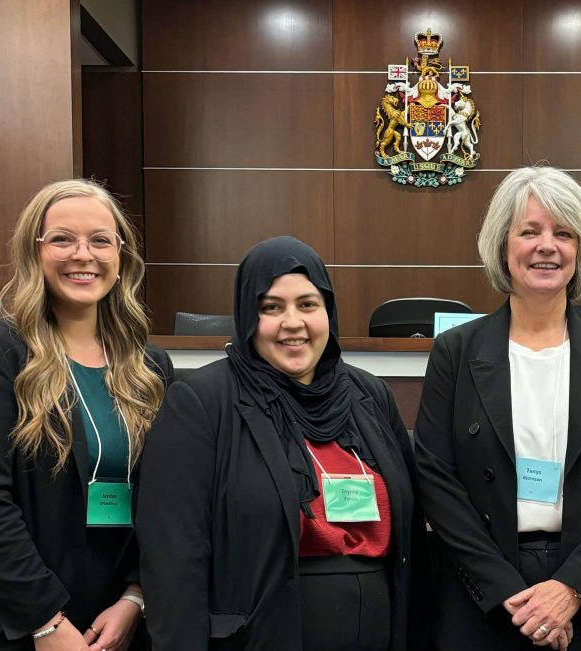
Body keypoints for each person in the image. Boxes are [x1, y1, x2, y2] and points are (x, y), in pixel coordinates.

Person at [0, 180, 173, 651]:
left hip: (103, 621)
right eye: (62, 239)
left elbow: (167, 502)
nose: (82, 254)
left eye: (100, 240)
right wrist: (45, 621)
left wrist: (135, 596)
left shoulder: (150, 368)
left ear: (121, 256)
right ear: (35, 252)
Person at [414, 166, 581, 651]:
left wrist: (572, 588)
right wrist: (508, 593)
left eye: (564, 233)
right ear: (502, 246)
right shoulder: (456, 351)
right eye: (529, 231)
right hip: (488, 599)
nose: (547, 246)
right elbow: (435, 479)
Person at [135, 236, 425, 651]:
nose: (293, 322)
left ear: (328, 311)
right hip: (261, 636)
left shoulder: (370, 395)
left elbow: (411, 535)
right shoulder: (202, 402)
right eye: (271, 307)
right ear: (247, 316)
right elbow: (172, 555)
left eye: (308, 304)